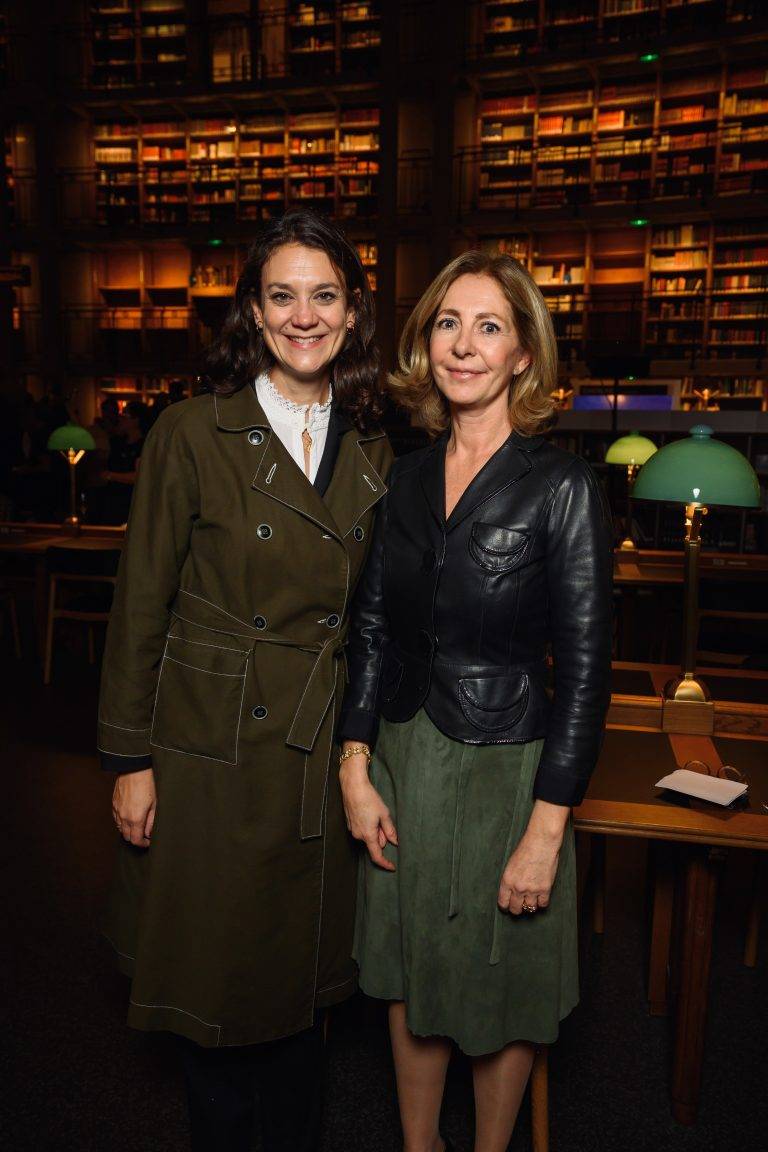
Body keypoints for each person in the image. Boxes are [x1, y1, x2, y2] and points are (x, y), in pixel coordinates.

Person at [98, 208, 392, 1152]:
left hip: (318, 746)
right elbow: (141, 601)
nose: (303, 316)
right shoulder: (191, 431)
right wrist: (128, 758)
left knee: (300, 989)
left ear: (350, 315)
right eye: (282, 296)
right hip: (207, 743)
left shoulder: (378, 441)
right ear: (255, 315)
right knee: (218, 986)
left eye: (323, 296)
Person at [338, 251, 613, 1152]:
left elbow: (585, 670)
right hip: (406, 761)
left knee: (507, 982)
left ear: (522, 356)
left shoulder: (564, 487)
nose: (463, 344)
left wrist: (547, 831)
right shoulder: (404, 477)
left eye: (489, 326)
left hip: (513, 771)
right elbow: (372, 629)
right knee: (413, 969)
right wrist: (355, 766)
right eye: (449, 323)